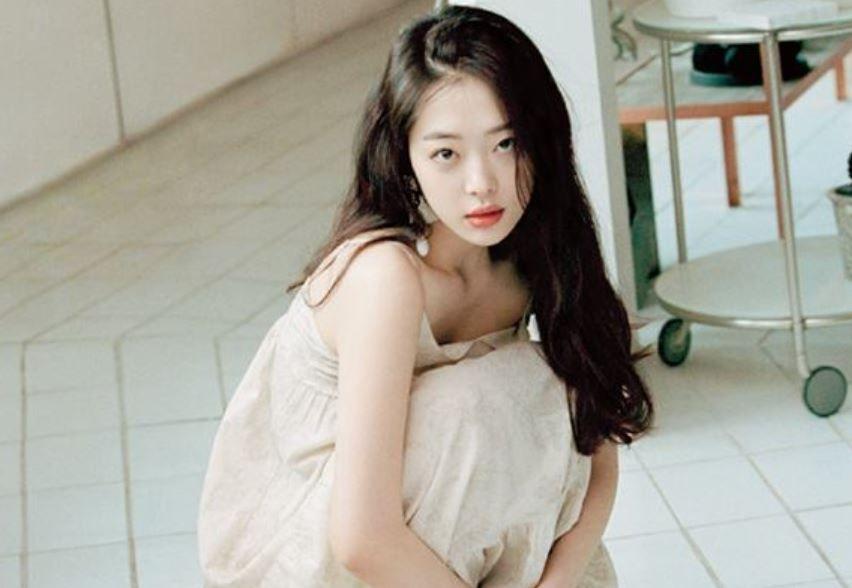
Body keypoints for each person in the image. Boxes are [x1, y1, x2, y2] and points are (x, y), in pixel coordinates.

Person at [197, 5, 654, 587]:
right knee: (468, 409)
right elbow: (361, 538)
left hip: (415, 537)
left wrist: (557, 581)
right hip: (305, 553)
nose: (482, 184)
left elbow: (594, 444)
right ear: (406, 160)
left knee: (548, 389)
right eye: (446, 154)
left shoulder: (532, 257)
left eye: (506, 143)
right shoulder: (385, 276)